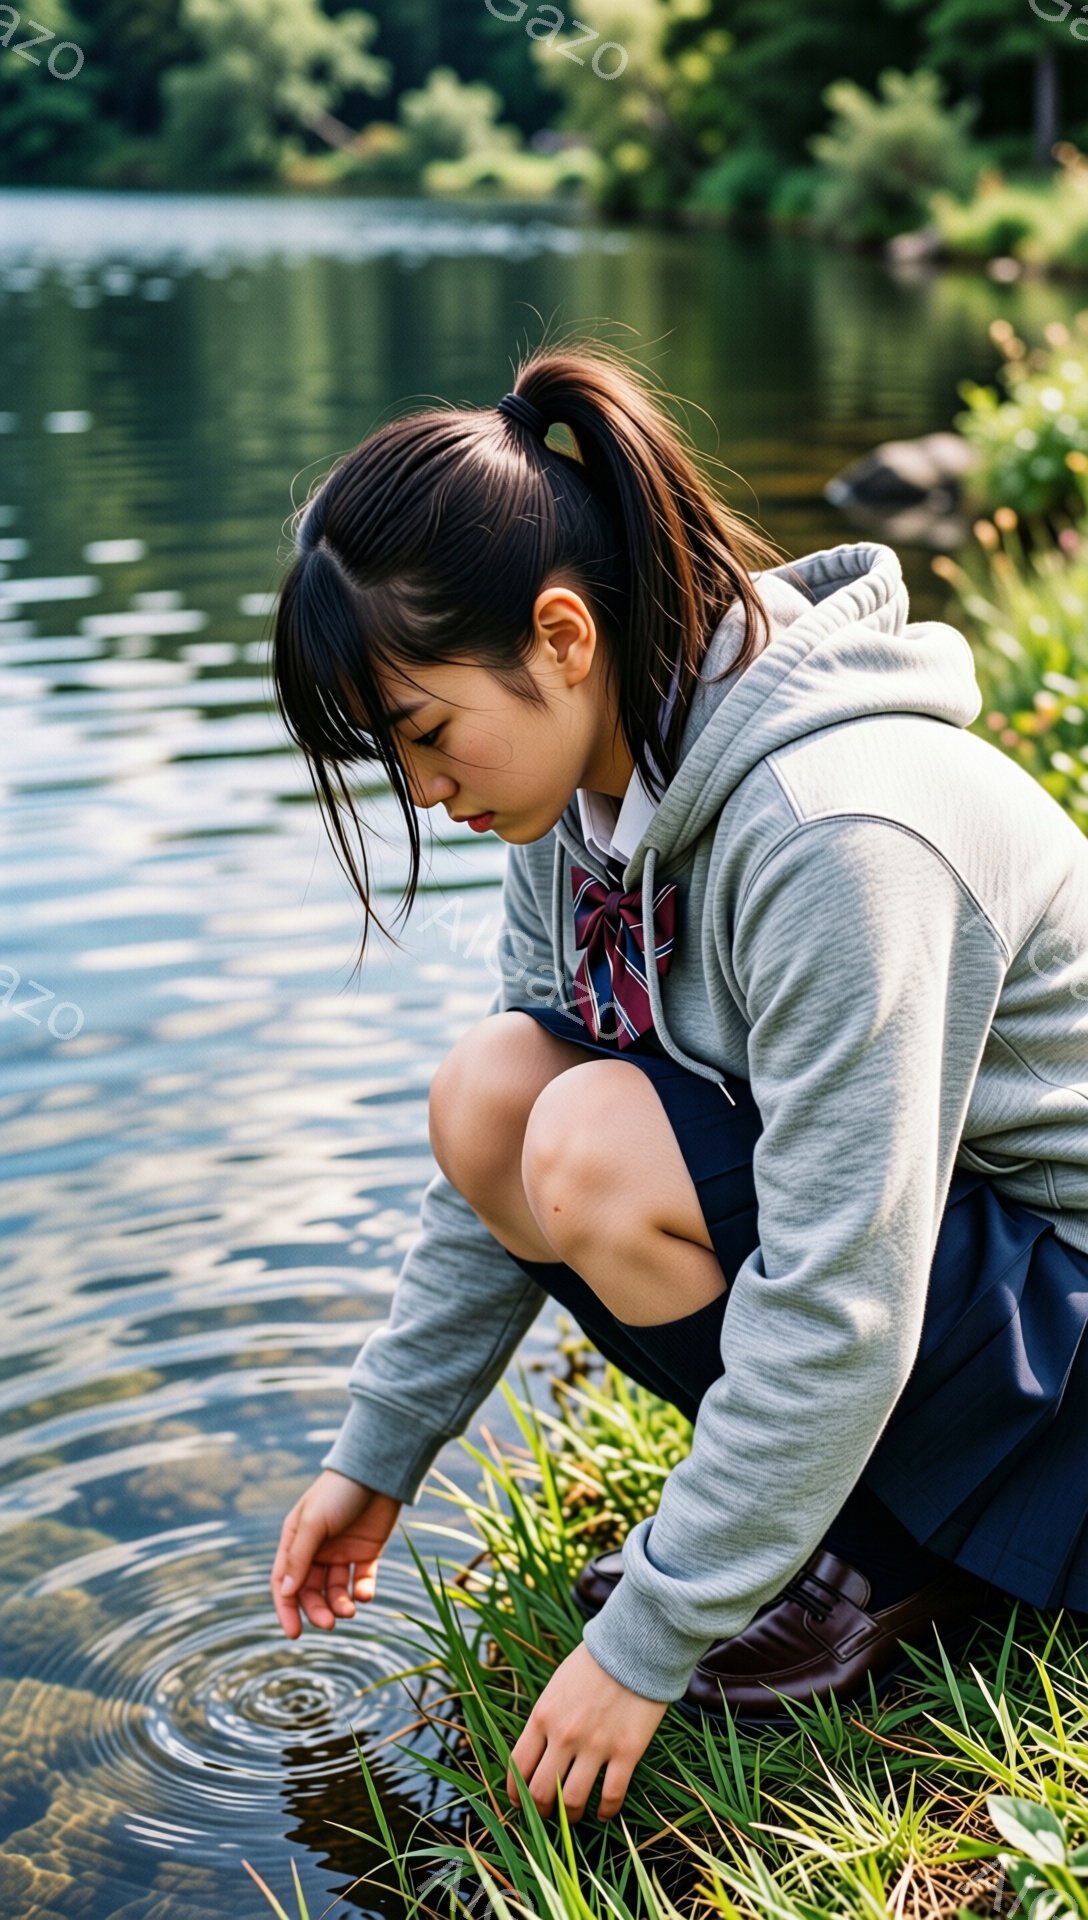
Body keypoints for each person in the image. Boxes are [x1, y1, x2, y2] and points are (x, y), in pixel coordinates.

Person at [267, 339, 1088, 1828]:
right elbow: (497, 1167)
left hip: (1068, 1380)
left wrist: (646, 1643)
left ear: (564, 635)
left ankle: (887, 1559)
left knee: (586, 1133)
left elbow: (843, 1294)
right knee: (494, 1095)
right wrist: (379, 1453)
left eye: (429, 735)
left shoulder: (839, 834)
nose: (428, 797)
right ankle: (823, 1518)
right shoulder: (582, 805)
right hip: (956, 1306)